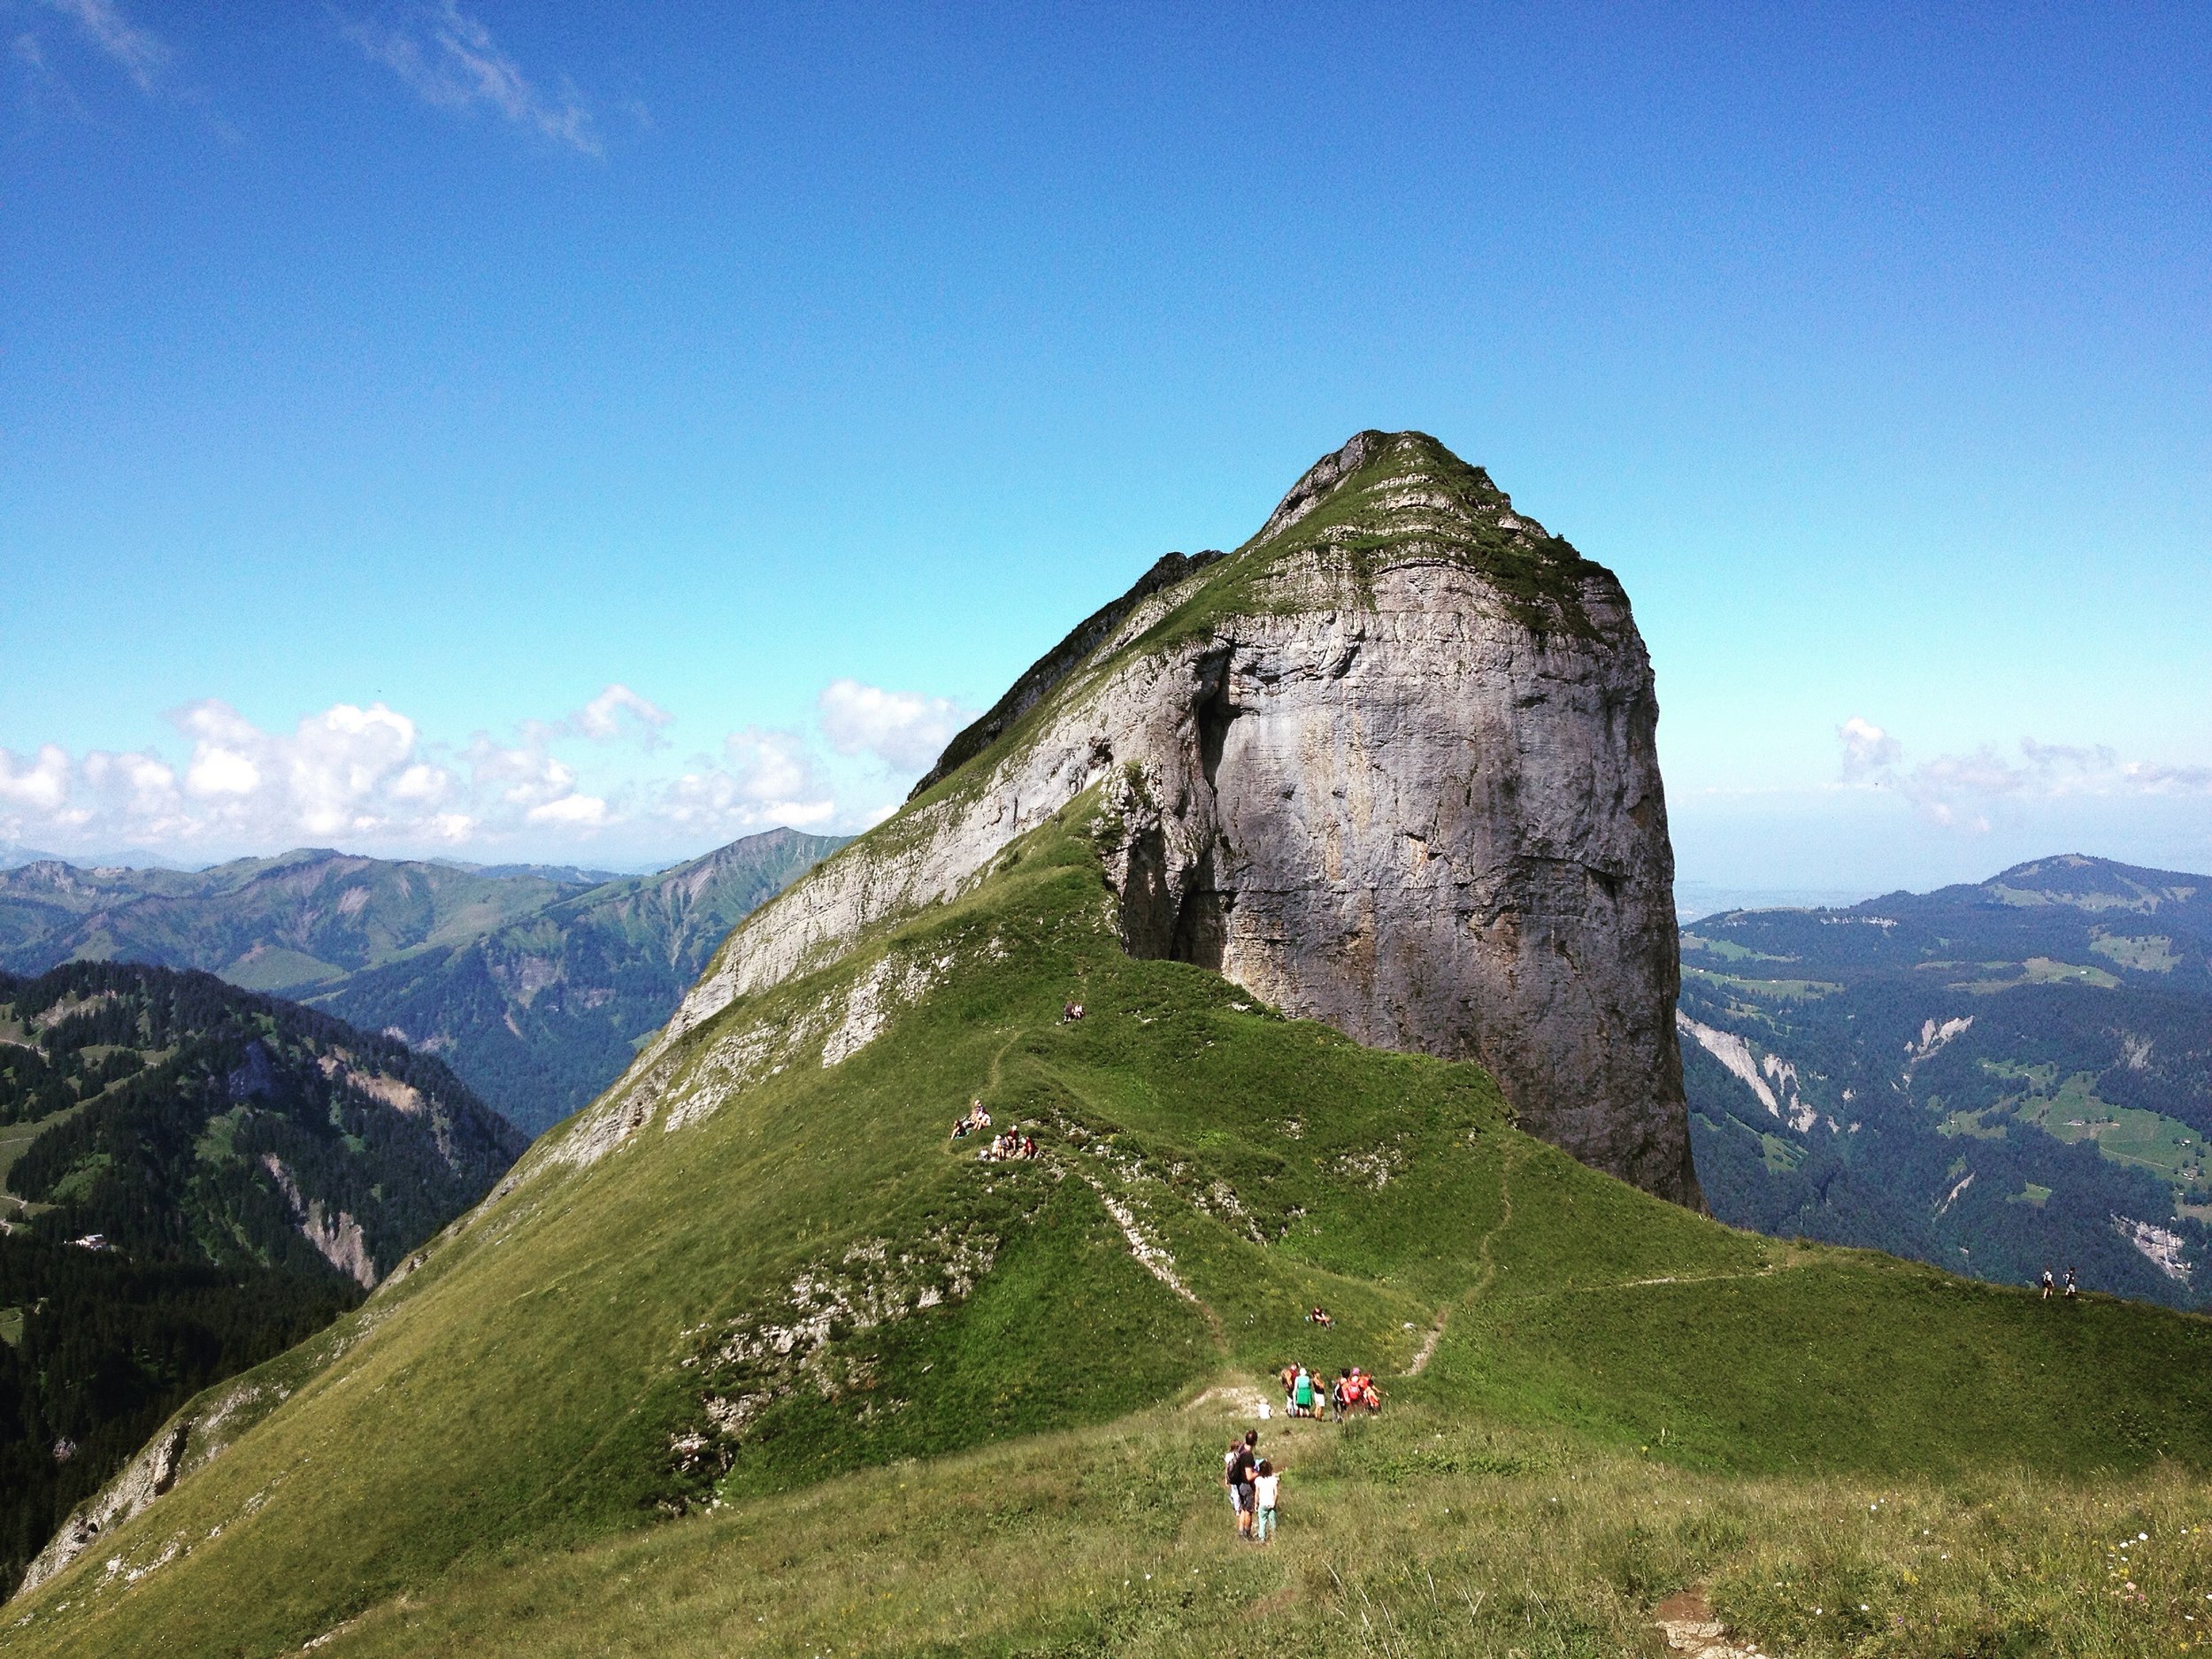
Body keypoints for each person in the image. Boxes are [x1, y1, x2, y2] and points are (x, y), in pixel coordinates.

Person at [1229, 1431, 1259, 1540]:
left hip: (1239, 1484)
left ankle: (1241, 1532)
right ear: (1255, 1442)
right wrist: (1259, 1472)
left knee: (1242, 1509)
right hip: (1246, 1486)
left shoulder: (1241, 1448)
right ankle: (1247, 1534)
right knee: (1248, 1511)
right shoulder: (1248, 1456)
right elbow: (1249, 1476)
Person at [1252, 1458, 1280, 1543]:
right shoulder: (1273, 1479)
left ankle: (1262, 1537)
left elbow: (1257, 1493)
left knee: (1262, 1521)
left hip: (1263, 1504)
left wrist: (1256, 1504)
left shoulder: (1258, 1480)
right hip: (1271, 1503)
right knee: (1272, 1521)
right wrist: (1274, 1502)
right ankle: (1273, 1537)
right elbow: (1276, 1493)